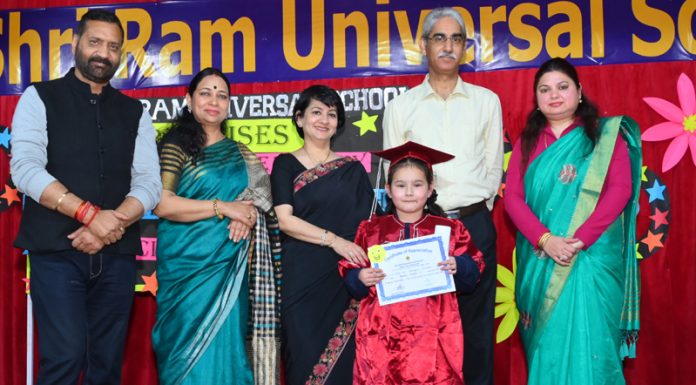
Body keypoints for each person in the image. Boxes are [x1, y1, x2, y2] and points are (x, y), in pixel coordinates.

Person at [9, 9, 161, 385]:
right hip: (57, 254)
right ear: (75, 44)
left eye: (112, 47)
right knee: (64, 358)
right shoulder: (39, 97)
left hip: (117, 256)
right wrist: (91, 215)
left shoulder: (134, 111)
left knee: (106, 366)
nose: (103, 53)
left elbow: (149, 184)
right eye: (95, 42)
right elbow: (25, 170)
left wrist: (114, 223)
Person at [382, 7, 503, 385]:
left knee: (477, 331)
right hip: (420, 230)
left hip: (474, 224)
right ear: (424, 46)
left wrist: (474, 214)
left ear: (466, 48)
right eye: (439, 38)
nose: (448, 46)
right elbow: (395, 175)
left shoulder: (487, 101)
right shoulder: (401, 107)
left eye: (456, 39)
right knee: (421, 331)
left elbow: (493, 168)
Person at [505, 57, 642, 385]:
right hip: (541, 260)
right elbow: (512, 199)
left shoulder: (605, 136)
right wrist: (546, 240)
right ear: (536, 99)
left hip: (591, 258)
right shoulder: (526, 144)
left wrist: (580, 239)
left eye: (562, 87)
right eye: (545, 89)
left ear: (579, 92)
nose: (554, 95)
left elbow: (620, 190)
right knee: (547, 348)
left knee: (593, 347)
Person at [151, 67, 280, 385]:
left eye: (222, 95)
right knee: (185, 361)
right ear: (189, 99)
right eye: (205, 93)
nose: (214, 101)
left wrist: (248, 217)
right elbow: (162, 204)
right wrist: (224, 208)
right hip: (186, 271)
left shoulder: (242, 155)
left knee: (229, 353)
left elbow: (261, 205)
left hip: (228, 270)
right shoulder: (176, 146)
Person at [338, 141, 485, 385]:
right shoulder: (372, 230)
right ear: (388, 189)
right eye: (400, 185)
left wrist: (458, 265)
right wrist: (361, 277)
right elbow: (350, 273)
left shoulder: (449, 230)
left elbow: (474, 268)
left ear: (430, 189)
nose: (408, 192)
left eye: (417, 185)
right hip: (381, 335)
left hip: (435, 333)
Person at [271, 85, 374, 385]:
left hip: (346, 278)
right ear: (300, 119)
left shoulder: (353, 169)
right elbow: (285, 221)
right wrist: (335, 241)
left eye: (332, 114)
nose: (324, 120)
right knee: (302, 359)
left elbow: (370, 227)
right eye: (316, 112)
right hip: (301, 278)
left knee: (346, 365)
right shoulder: (285, 163)